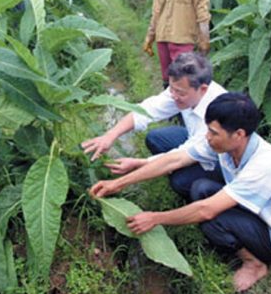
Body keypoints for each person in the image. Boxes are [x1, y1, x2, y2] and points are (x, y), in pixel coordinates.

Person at [90, 93, 271, 293]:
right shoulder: (225, 144)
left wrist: (155, 218)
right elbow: (174, 159)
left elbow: (206, 210)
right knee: (200, 189)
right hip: (256, 211)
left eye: (213, 132)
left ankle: (254, 263)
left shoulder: (264, 166)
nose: (207, 137)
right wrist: (118, 183)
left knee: (210, 218)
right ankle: (240, 239)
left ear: (239, 134)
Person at [82, 52, 226, 198]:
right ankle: (164, 169)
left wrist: (124, 178)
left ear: (202, 89)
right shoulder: (183, 89)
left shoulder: (217, 117)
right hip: (194, 141)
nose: (174, 96)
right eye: (171, 89)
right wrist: (110, 136)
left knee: (181, 181)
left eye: (180, 93)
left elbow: (180, 157)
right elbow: (147, 109)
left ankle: (213, 198)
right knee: (156, 138)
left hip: (219, 162)